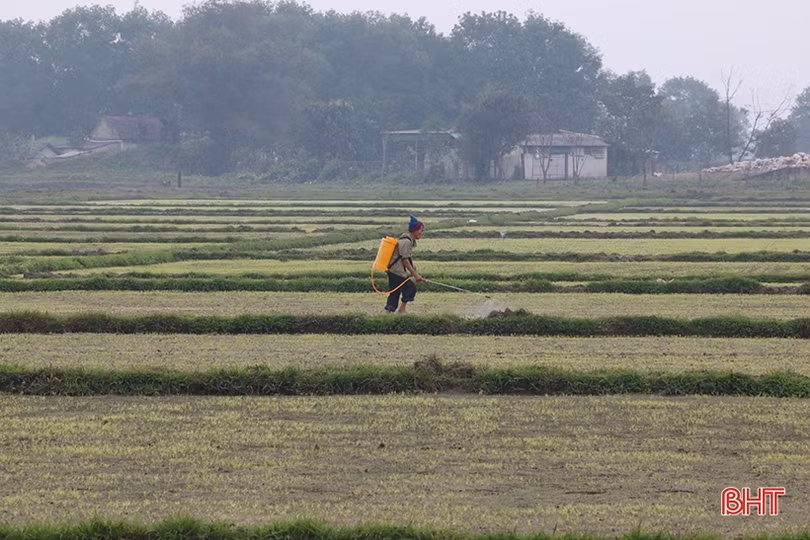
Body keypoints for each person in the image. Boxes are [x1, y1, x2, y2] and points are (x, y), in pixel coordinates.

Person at [385, 215, 427, 314]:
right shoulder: (406, 241)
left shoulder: (408, 240)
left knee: (395, 292)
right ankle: (401, 310)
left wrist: (414, 273)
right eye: (421, 230)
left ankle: (388, 312)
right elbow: (405, 260)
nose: (422, 233)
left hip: (394, 270)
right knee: (410, 288)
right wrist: (416, 275)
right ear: (415, 231)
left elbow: (408, 259)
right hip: (396, 271)